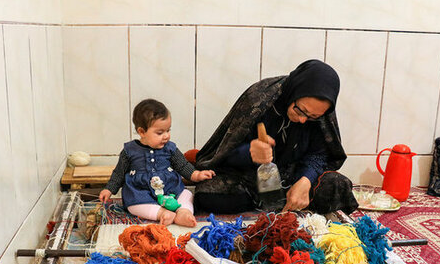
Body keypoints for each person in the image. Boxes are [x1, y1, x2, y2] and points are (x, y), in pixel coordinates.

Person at [194, 59, 358, 214]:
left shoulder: (322, 113)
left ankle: (286, 198)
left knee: (338, 185)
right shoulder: (259, 98)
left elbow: (320, 154)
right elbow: (225, 152)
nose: (303, 120)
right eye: (300, 111)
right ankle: (274, 201)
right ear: (294, 93)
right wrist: (249, 152)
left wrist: (306, 180)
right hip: (250, 178)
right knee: (207, 193)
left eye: (312, 117)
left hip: (293, 177)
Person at [100, 99, 215, 227]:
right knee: (133, 205)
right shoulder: (129, 151)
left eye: (168, 130)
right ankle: (162, 213)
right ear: (142, 132)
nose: (166, 136)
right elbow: (119, 173)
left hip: (170, 189)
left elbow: (183, 165)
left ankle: (183, 212)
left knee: (186, 194)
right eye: (160, 133)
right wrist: (109, 189)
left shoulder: (170, 148)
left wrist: (196, 174)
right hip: (141, 192)